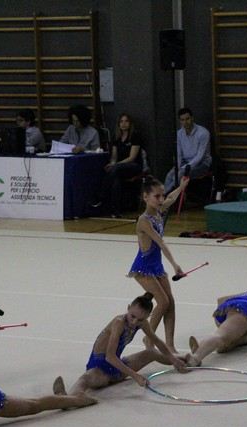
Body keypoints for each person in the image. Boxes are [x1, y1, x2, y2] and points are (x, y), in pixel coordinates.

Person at [59, 293, 188, 396]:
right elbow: (109, 356)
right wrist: (135, 375)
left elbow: (157, 342)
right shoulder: (119, 323)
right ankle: (68, 398)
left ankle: (185, 360)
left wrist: (172, 359)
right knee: (85, 379)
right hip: (100, 368)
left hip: (117, 367)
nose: (134, 322)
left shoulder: (142, 323)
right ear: (128, 308)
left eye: (140, 319)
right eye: (132, 316)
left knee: (151, 353)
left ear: (147, 317)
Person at [127, 177, 190, 354]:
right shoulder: (144, 220)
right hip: (143, 268)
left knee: (171, 302)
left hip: (156, 266)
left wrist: (181, 187)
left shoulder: (159, 210)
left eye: (161, 196)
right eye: (157, 196)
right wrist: (175, 265)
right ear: (145, 197)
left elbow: (171, 198)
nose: (161, 200)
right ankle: (149, 338)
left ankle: (169, 344)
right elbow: (161, 243)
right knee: (162, 302)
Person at [91, 112, 145, 217]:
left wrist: (115, 165)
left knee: (115, 169)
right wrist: (112, 163)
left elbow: (132, 157)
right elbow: (114, 157)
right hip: (119, 168)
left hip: (134, 166)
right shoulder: (116, 137)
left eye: (126, 121)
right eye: (121, 121)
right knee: (115, 178)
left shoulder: (135, 136)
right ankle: (115, 210)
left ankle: (100, 197)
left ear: (130, 123)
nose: (124, 124)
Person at [163, 107, 212, 192]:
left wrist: (185, 168)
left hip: (202, 164)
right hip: (184, 163)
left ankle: (173, 196)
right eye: (182, 120)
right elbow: (179, 154)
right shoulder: (179, 134)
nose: (185, 122)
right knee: (169, 175)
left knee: (180, 174)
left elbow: (200, 156)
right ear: (180, 121)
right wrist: (178, 167)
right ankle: (165, 198)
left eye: (187, 119)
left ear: (192, 118)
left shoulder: (203, 133)